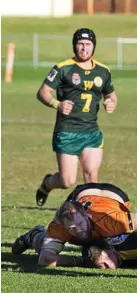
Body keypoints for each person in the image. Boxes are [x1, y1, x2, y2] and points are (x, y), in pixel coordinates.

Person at [35, 28, 117, 207]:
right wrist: (58, 104)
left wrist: (111, 102)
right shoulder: (63, 68)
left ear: (94, 46)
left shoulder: (103, 71)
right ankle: (47, 183)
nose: (84, 48)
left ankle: (90, 212)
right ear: (74, 45)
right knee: (67, 181)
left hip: (91, 132)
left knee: (91, 175)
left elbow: (111, 95)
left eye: (88, 44)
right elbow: (43, 92)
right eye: (80, 44)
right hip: (67, 132)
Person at [12, 183, 137, 267]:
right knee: (44, 249)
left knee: (118, 243)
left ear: (86, 214)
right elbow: (45, 260)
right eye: (72, 229)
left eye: (80, 224)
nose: (78, 231)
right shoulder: (61, 223)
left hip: (113, 194)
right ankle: (34, 236)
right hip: (80, 195)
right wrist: (81, 262)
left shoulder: (113, 220)